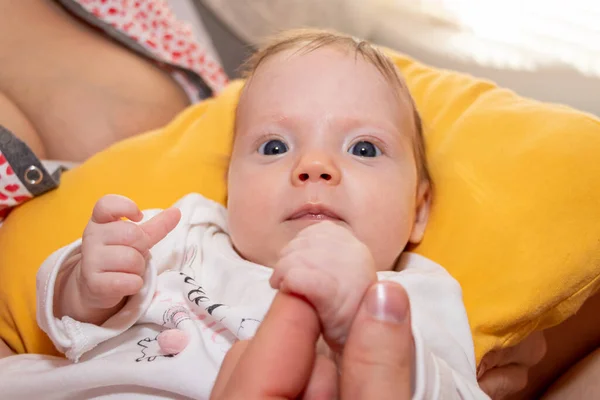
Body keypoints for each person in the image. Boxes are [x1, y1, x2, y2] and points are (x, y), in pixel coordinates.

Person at [0, 29, 489, 399]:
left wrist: (368, 328)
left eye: (363, 148)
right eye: (274, 146)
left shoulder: (412, 294)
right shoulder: (189, 230)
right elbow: (66, 327)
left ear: (418, 211)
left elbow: (459, 392)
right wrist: (86, 285)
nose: (314, 167)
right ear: (230, 189)